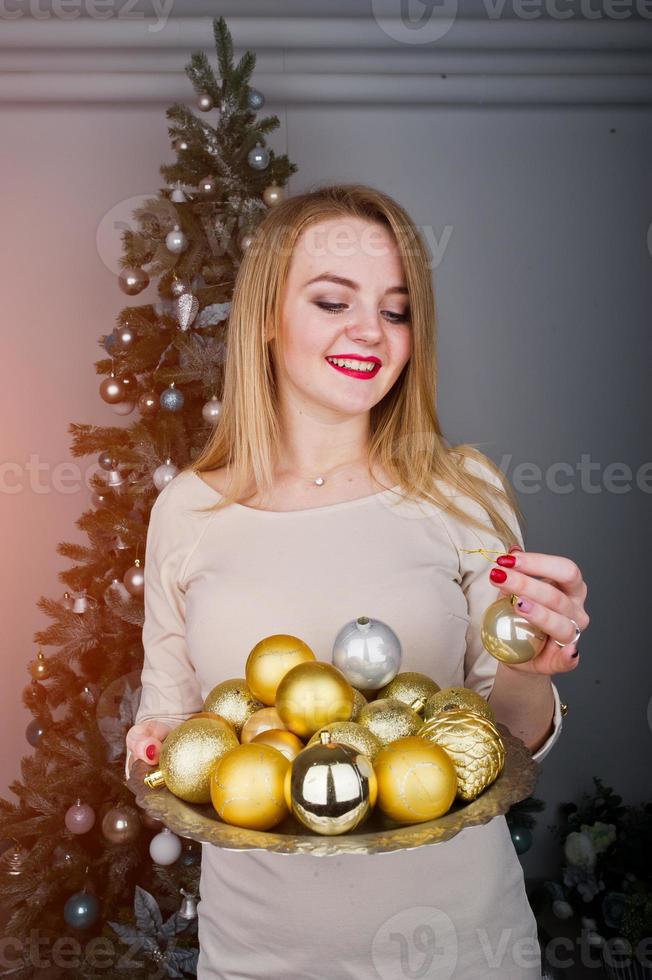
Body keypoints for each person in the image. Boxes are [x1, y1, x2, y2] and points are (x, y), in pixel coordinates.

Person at [125, 183, 589, 979]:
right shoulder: (189, 509)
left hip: (459, 948)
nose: (370, 332)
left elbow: (508, 743)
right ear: (268, 318)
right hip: (257, 956)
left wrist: (530, 663)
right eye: (333, 301)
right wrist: (151, 749)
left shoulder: (462, 490)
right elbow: (163, 727)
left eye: (397, 310)